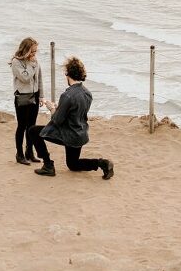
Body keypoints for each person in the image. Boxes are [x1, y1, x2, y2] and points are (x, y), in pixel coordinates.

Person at [27, 56, 114, 180]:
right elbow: (76, 112)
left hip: (69, 134)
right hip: (81, 133)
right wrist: (60, 108)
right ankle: (103, 163)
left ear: (67, 74)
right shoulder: (87, 92)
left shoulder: (67, 95)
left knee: (33, 131)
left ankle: (48, 166)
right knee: (73, 164)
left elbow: (56, 120)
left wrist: (51, 108)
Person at [10, 37, 44, 165]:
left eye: (35, 52)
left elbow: (39, 78)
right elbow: (25, 77)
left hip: (34, 95)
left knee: (32, 126)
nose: (34, 54)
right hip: (22, 97)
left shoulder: (34, 61)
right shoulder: (16, 62)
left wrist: (41, 96)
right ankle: (19, 154)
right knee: (22, 126)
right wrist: (31, 64)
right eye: (32, 51)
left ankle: (29, 152)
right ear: (26, 50)